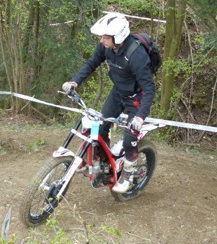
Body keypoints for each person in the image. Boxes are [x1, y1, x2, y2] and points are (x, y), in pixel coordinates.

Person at [62, 12, 156, 193]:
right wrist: (75, 82)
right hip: (118, 91)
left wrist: (140, 117)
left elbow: (149, 88)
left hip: (136, 97)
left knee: (130, 136)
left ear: (118, 36)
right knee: (100, 125)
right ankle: (101, 161)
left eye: (105, 37)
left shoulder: (137, 55)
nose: (101, 40)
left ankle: (128, 172)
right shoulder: (106, 47)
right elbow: (92, 63)